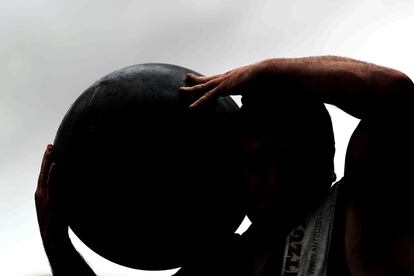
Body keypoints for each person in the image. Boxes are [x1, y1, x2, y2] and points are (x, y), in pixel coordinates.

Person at [35, 56, 414, 275]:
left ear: (324, 166)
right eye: (256, 161)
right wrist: (58, 245)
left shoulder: (362, 208)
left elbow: (395, 95)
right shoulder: (219, 266)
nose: (272, 178)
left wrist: (267, 72)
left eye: (289, 160)